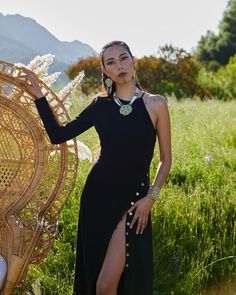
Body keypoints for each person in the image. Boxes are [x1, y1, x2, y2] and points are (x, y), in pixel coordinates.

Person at [20, 40, 172, 295]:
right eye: (110, 62)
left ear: (134, 61)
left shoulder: (156, 104)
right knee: (96, 282)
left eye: (123, 58)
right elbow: (59, 135)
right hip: (97, 198)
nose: (119, 66)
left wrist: (151, 198)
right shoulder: (100, 106)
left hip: (135, 201)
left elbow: (166, 160)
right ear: (105, 71)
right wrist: (39, 97)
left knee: (106, 284)